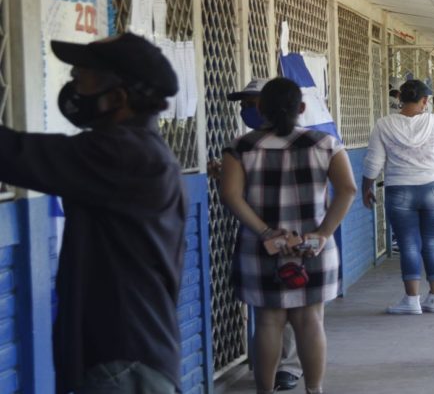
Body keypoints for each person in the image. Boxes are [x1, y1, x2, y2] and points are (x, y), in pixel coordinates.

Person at [0, 33, 186, 392]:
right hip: (134, 357)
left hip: (124, 365)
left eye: (81, 77)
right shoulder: (144, 151)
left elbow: (14, 154)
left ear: (117, 96)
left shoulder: (125, 155)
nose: (73, 85)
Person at [221, 77, 356, 394]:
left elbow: (231, 195)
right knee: (311, 321)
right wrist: (322, 234)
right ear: (302, 109)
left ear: (261, 109)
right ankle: (314, 389)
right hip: (313, 248)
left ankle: (265, 391)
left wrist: (266, 232)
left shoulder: (240, 147)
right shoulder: (326, 144)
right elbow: (347, 189)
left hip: (260, 248)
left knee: (268, 322)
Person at [226, 78, 304, 391]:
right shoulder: (244, 144)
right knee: (272, 310)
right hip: (261, 237)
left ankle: (288, 365)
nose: (248, 110)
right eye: (243, 105)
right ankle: (276, 369)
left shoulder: (305, 140)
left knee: (291, 310)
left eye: (251, 103)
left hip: (292, 234)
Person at [362, 79, 434, 315]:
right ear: (425, 100)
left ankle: (412, 300)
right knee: (432, 243)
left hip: (400, 189)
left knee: (408, 244)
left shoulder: (384, 124)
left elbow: (373, 161)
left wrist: (366, 186)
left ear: (400, 98)